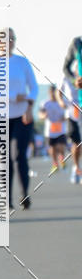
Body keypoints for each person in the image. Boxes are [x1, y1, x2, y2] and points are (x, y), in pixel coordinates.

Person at [0, 29, 38, 210]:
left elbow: (34, 88)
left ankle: (24, 194)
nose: (9, 42)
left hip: (21, 116)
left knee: (19, 156)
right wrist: (14, 97)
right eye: (5, 39)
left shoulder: (22, 62)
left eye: (12, 39)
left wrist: (29, 106)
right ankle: (6, 199)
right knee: (4, 158)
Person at [62, 35, 82, 184]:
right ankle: (77, 167)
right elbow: (65, 68)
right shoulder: (77, 43)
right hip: (76, 107)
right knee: (77, 142)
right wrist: (75, 80)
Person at [39, 85, 67, 174]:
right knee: (52, 149)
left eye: (54, 93)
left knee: (60, 146)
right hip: (50, 131)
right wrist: (44, 116)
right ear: (49, 93)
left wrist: (64, 118)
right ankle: (55, 164)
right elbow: (40, 114)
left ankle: (62, 159)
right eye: (51, 93)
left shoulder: (62, 102)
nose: (53, 95)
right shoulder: (45, 103)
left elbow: (66, 114)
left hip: (61, 129)